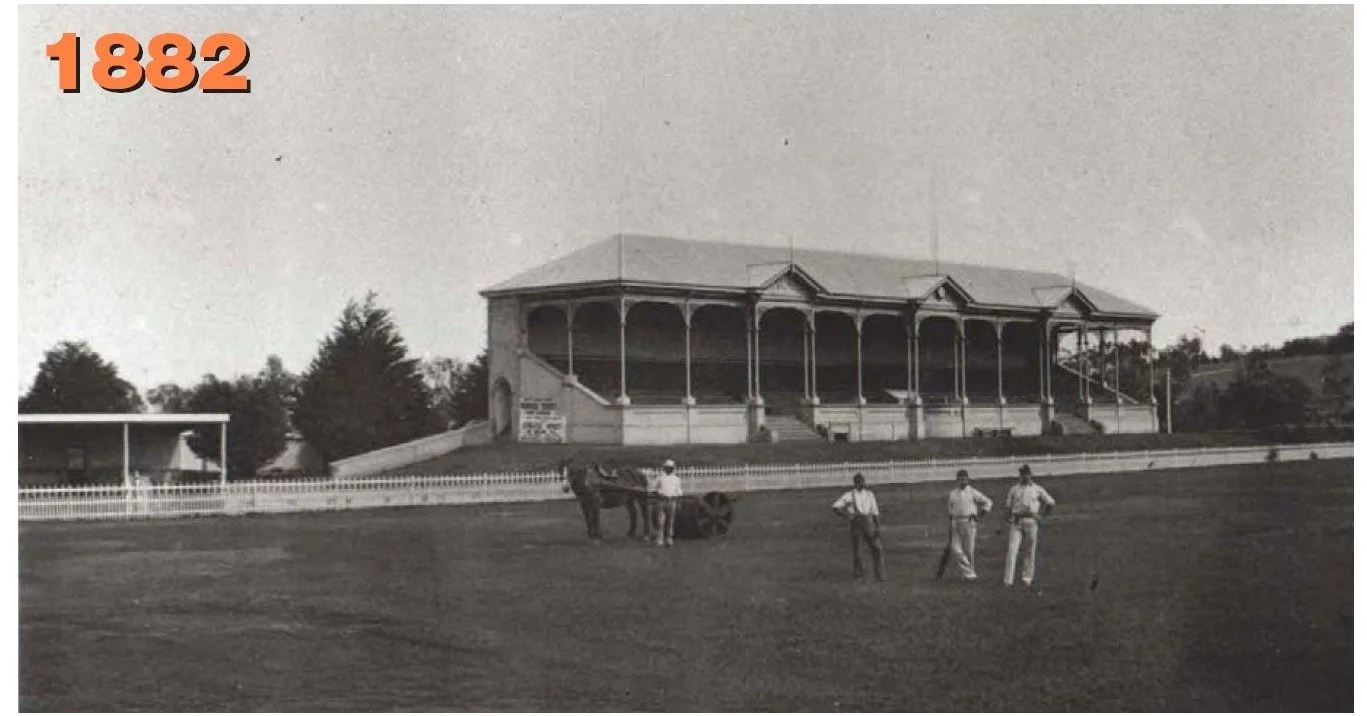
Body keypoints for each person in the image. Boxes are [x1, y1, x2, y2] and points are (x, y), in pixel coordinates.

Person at [1002, 464, 1056, 588]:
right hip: (1016, 521)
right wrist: (1007, 519)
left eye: (1027, 474)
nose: (1025, 477)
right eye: (1023, 474)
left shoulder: (1037, 489)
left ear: (1030, 474)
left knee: (1029, 551)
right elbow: (1008, 507)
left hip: (1031, 521)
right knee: (1012, 550)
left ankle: (1026, 579)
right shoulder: (1014, 489)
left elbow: (1050, 502)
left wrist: (1042, 516)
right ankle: (1008, 581)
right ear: (1020, 475)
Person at [831, 472, 886, 581]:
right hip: (856, 524)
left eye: (862, 481)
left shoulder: (870, 495)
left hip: (869, 522)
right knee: (858, 551)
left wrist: (877, 527)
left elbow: (875, 512)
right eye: (858, 481)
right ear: (855, 483)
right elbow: (835, 507)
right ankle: (859, 575)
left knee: (877, 548)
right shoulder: (850, 495)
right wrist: (847, 516)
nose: (861, 483)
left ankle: (879, 575)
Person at [946, 469, 993, 580]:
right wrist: (951, 524)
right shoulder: (953, 494)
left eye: (964, 479)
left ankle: (969, 574)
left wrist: (979, 515)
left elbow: (988, 502)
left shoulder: (972, 492)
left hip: (969, 521)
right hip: (956, 522)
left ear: (968, 480)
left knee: (969, 549)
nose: (962, 481)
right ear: (957, 480)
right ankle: (968, 571)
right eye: (960, 479)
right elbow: (950, 510)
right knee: (955, 548)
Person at [654, 458, 683, 547]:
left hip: (672, 501)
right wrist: (657, 495)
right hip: (661, 500)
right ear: (664, 468)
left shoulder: (676, 479)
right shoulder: (660, 478)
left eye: (670, 468)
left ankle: (669, 539)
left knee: (670, 521)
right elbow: (654, 488)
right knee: (660, 521)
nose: (669, 469)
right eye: (667, 467)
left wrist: (678, 502)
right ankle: (660, 539)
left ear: (673, 468)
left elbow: (679, 492)